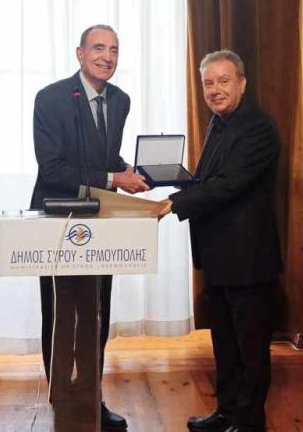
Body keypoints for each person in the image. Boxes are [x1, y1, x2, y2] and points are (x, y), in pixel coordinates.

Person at [30, 24, 149, 429]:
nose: (107, 57)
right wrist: (116, 178)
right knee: (62, 316)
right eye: (98, 48)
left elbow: (105, 157)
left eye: (114, 49)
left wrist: (135, 172)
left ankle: (91, 400)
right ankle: (64, 402)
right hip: (58, 222)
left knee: (97, 312)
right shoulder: (50, 98)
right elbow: (53, 170)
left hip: (101, 223)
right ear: (80, 53)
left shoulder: (120, 100)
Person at [158, 50, 282, 432]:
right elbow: (209, 180)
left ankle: (249, 422)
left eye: (223, 81)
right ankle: (226, 412)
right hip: (218, 255)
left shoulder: (258, 128)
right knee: (225, 344)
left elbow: (229, 185)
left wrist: (174, 202)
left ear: (242, 83)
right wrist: (170, 178)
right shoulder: (218, 121)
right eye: (208, 83)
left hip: (247, 259)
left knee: (250, 350)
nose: (215, 90)